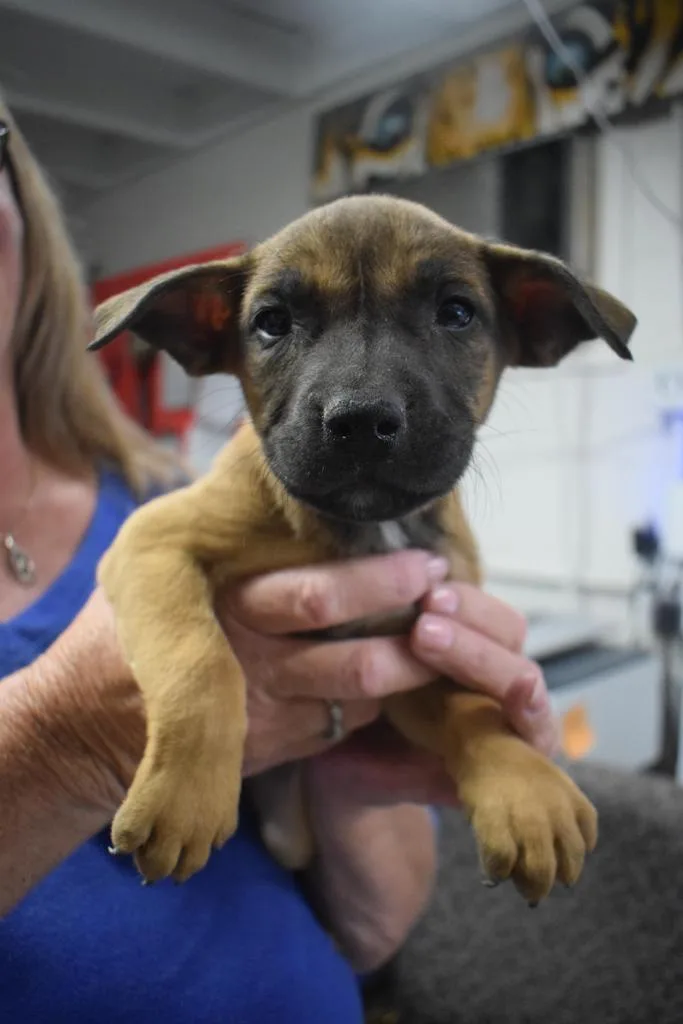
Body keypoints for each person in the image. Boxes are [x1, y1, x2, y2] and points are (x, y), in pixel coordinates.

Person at [0, 101, 558, 1023]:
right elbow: (158, 558)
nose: (363, 398)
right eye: (279, 322)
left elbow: (372, 929)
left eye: (451, 313)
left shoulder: (146, 482)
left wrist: (439, 751)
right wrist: (106, 732)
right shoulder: (211, 507)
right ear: (201, 331)